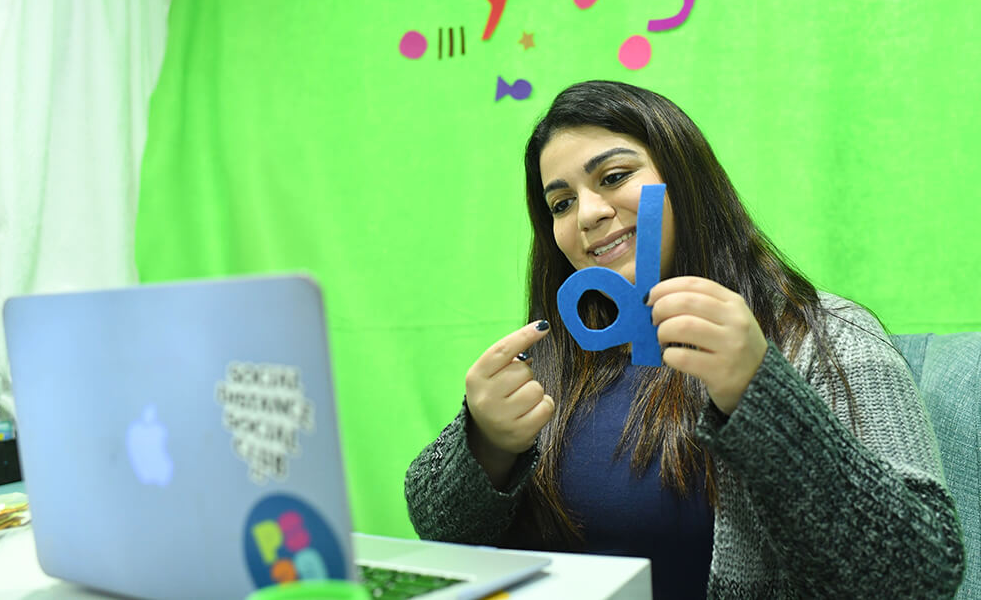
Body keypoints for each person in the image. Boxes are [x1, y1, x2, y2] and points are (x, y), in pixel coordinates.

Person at [404, 81, 965, 598]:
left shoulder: (826, 338)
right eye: (561, 203)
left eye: (614, 177)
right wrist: (487, 447)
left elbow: (919, 575)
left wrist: (761, 393)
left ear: (684, 176)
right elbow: (439, 533)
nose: (589, 215)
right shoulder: (553, 355)